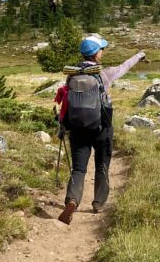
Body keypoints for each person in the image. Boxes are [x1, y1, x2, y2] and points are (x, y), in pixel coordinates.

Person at [58, 34, 145, 225]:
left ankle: (72, 200)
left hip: (78, 129)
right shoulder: (104, 74)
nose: (103, 52)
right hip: (101, 129)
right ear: (96, 53)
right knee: (102, 165)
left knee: (79, 169)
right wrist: (139, 55)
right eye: (102, 49)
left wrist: (62, 126)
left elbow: (66, 102)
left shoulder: (71, 75)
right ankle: (98, 203)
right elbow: (125, 66)